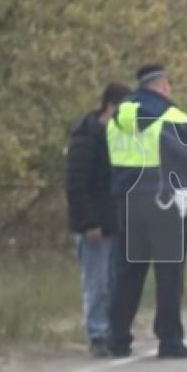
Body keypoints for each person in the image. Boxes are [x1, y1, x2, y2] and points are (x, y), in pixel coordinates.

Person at [106, 64, 187, 359]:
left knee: (128, 273)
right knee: (169, 274)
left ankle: (117, 338)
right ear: (163, 86)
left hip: (127, 201)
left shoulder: (116, 119)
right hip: (163, 201)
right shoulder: (173, 117)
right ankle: (169, 340)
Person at [66, 83, 130, 358]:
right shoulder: (86, 139)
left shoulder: (117, 137)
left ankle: (112, 332)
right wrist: (89, 222)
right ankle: (97, 334)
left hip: (114, 220)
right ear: (111, 107)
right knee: (96, 281)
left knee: (113, 281)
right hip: (95, 223)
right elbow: (76, 186)